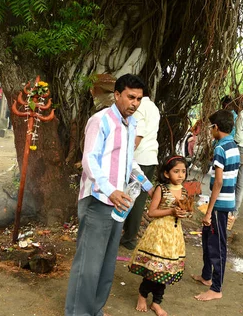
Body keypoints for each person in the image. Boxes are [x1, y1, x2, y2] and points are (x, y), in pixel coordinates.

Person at [65, 74, 154, 316]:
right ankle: (78, 313)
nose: (134, 103)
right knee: (89, 265)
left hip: (118, 204)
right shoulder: (101, 120)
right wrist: (110, 190)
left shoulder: (130, 124)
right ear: (117, 95)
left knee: (106, 264)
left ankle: (95, 309)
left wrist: (148, 186)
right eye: (130, 97)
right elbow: (89, 160)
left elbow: (127, 162)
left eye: (139, 99)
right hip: (98, 200)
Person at [129, 155, 189, 316]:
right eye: (176, 171)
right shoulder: (161, 189)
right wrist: (170, 211)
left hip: (174, 236)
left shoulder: (184, 190)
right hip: (158, 234)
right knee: (154, 269)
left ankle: (157, 302)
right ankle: (142, 295)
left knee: (166, 271)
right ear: (167, 173)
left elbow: (187, 211)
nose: (180, 175)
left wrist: (185, 213)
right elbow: (152, 212)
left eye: (183, 171)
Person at [192, 109, 240, 301]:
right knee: (207, 238)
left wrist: (208, 211)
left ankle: (216, 288)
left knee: (217, 245)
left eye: (211, 127)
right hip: (225, 201)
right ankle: (206, 275)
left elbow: (218, 182)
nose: (210, 130)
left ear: (216, 127)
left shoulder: (221, 149)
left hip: (219, 205)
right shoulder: (232, 145)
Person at [120, 89, 161, 250]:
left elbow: (139, 132)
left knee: (131, 198)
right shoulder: (153, 107)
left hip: (138, 157)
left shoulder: (140, 106)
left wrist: (127, 153)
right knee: (140, 199)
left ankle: (128, 237)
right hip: (151, 156)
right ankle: (129, 235)